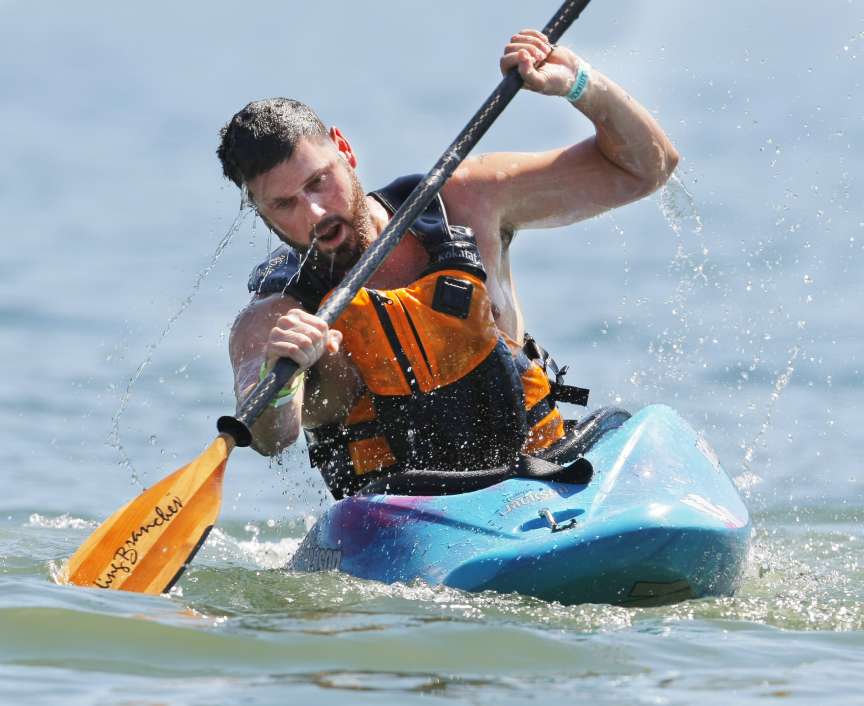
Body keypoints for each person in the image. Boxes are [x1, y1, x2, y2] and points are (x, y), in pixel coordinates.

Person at [218, 29, 679, 498]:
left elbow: (646, 168)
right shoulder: (275, 319)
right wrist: (282, 377)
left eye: (319, 181)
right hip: (406, 523)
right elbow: (271, 437)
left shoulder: (464, 204)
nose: (315, 213)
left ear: (345, 150)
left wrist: (580, 85)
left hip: (547, 476)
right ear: (259, 210)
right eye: (284, 205)